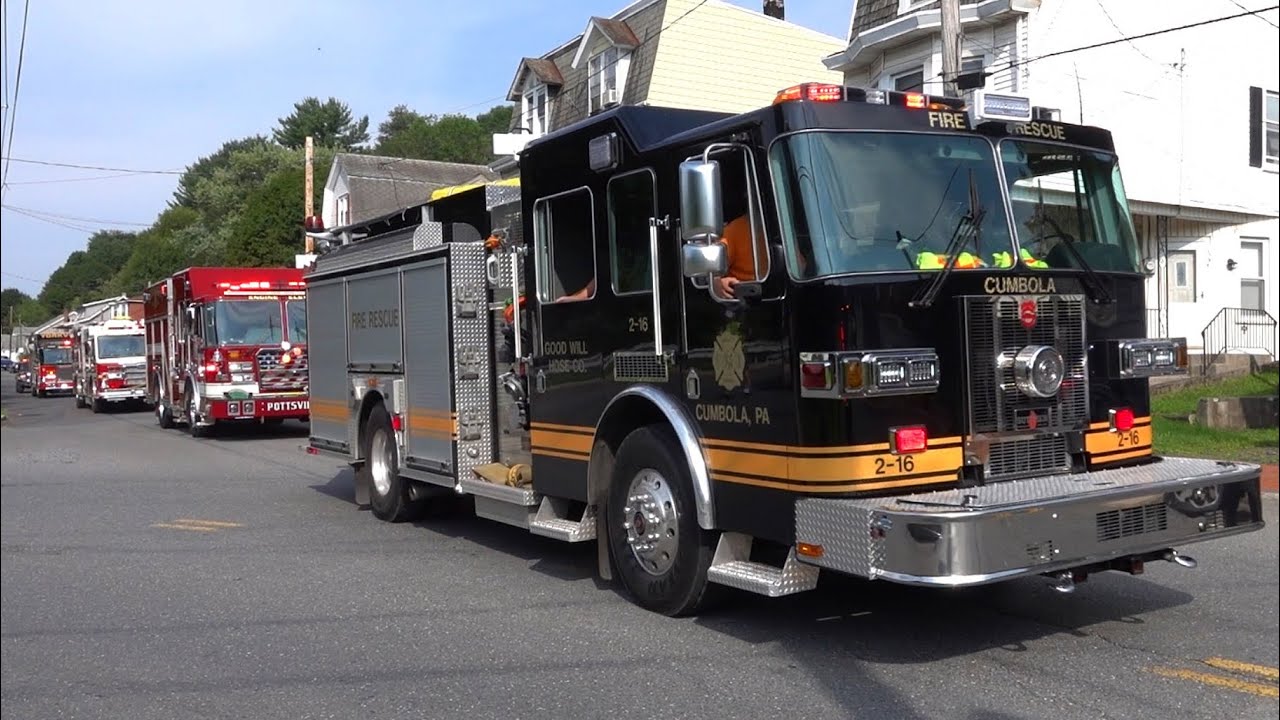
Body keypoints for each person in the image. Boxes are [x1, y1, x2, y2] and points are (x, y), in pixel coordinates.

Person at [713, 211, 768, 299]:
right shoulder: (735, 229)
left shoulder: (789, 225)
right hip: (745, 299)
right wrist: (717, 283)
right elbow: (711, 267)